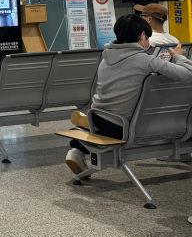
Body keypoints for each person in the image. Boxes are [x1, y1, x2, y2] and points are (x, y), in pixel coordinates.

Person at [65, 14, 192, 175]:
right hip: (124, 127)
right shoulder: (146, 60)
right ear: (142, 36)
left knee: (107, 122)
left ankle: (78, 146)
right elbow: (188, 75)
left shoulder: (105, 58)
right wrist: (178, 56)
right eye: (147, 38)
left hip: (97, 116)